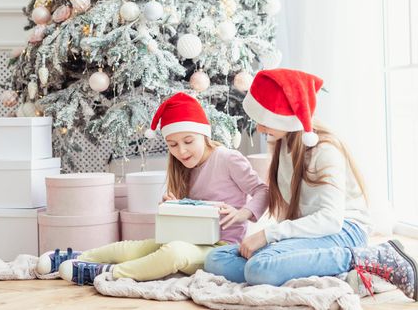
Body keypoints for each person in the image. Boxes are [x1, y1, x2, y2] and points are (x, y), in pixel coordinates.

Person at [204, 69, 418, 301]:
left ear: (283, 117)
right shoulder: (283, 143)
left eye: (264, 121)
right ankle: (325, 271)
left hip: (345, 231)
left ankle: (373, 257)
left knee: (259, 269)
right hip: (311, 233)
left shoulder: (324, 150)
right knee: (216, 260)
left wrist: (269, 235)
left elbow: (330, 219)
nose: (259, 128)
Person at [36, 92, 268, 285]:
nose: (182, 151)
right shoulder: (182, 167)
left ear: (204, 135)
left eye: (188, 141)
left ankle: (107, 273)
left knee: (174, 253)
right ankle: (80, 257)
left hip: (222, 247)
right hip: (187, 237)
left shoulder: (228, 158)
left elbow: (262, 190)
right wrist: (174, 207)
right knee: (135, 248)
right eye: (173, 145)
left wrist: (242, 213)